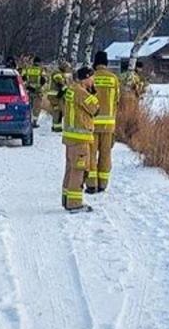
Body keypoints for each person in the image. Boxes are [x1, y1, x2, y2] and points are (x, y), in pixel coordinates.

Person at [58, 66, 100, 212]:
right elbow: (96, 109)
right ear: (86, 78)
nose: (93, 81)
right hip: (80, 139)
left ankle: (66, 199)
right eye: (92, 78)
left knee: (70, 169)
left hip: (70, 137)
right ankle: (74, 203)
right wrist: (93, 93)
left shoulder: (71, 90)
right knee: (79, 170)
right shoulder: (81, 92)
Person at [88, 51, 121, 193]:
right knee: (105, 154)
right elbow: (117, 100)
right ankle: (103, 183)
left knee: (91, 154)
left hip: (92, 123)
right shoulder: (114, 79)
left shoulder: (91, 78)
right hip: (109, 124)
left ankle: (91, 184)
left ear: (95, 62)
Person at [22, 56, 45, 127]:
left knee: (28, 107)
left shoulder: (27, 69)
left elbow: (23, 78)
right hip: (37, 92)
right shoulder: (41, 70)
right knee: (37, 107)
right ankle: (34, 122)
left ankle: (27, 121)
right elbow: (44, 80)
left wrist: (28, 86)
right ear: (39, 62)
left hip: (28, 91)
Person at [48, 63, 68, 132]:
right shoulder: (57, 73)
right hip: (55, 95)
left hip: (56, 95)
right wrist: (65, 88)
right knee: (57, 111)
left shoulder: (60, 73)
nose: (67, 69)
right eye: (66, 67)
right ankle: (57, 128)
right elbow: (60, 83)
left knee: (57, 111)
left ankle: (55, 126)